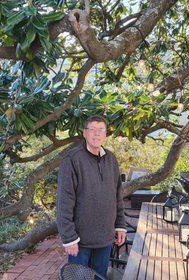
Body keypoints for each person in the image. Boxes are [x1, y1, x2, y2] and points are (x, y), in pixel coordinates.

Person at [56, 115, 126, 279]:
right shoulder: (72, 159)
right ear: (84, 133)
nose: (96, 134)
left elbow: (117, 195)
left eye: (100, 130)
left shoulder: (111, 159)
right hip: (80, 242)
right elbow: (64, 202)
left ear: (105, 134)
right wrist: (69, 238)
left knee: (99, 277)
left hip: (105, 239)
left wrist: (120, 225)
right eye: (92, 129)